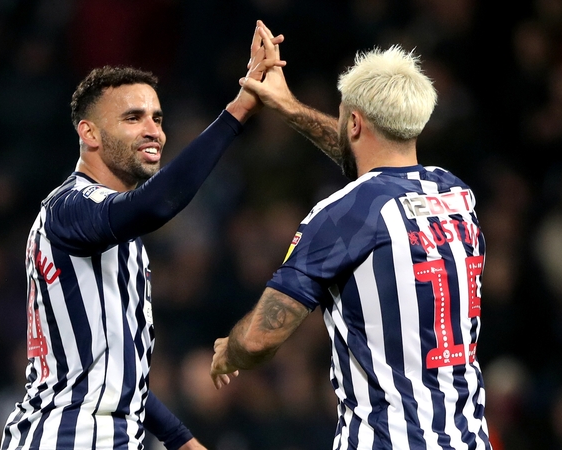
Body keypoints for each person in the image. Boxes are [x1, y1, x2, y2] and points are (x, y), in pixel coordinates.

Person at [0, 23, 285, 450]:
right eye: (133, 118)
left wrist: (182, 441)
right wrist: (239, 110)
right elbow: (157, 204)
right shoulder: (70, 207)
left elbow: (114, 373)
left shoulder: (116, 229)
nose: (153, 130)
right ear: (89, 133)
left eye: (157, 118)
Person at [211, 22, 493, 449]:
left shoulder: (342, 215)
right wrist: (289, 107)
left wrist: (229, 351)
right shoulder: (456, 195)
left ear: (355, 123)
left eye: (345, 116)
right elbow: (373, 163)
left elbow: (257, 341)